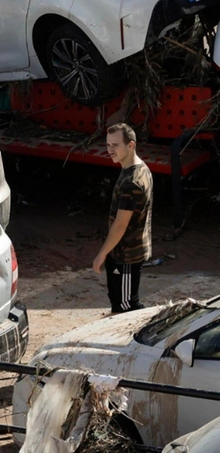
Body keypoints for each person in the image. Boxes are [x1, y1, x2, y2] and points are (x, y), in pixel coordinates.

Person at [92, 122, 153, 314]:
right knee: (120, 302)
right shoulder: (139, 167)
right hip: (122, 251)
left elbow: (120, 224)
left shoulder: (132, 182)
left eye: (115, 145)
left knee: (126, 308)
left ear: (131, 145)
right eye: (108, 145)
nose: (110, 150)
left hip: (126, 255)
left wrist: (102, 254)